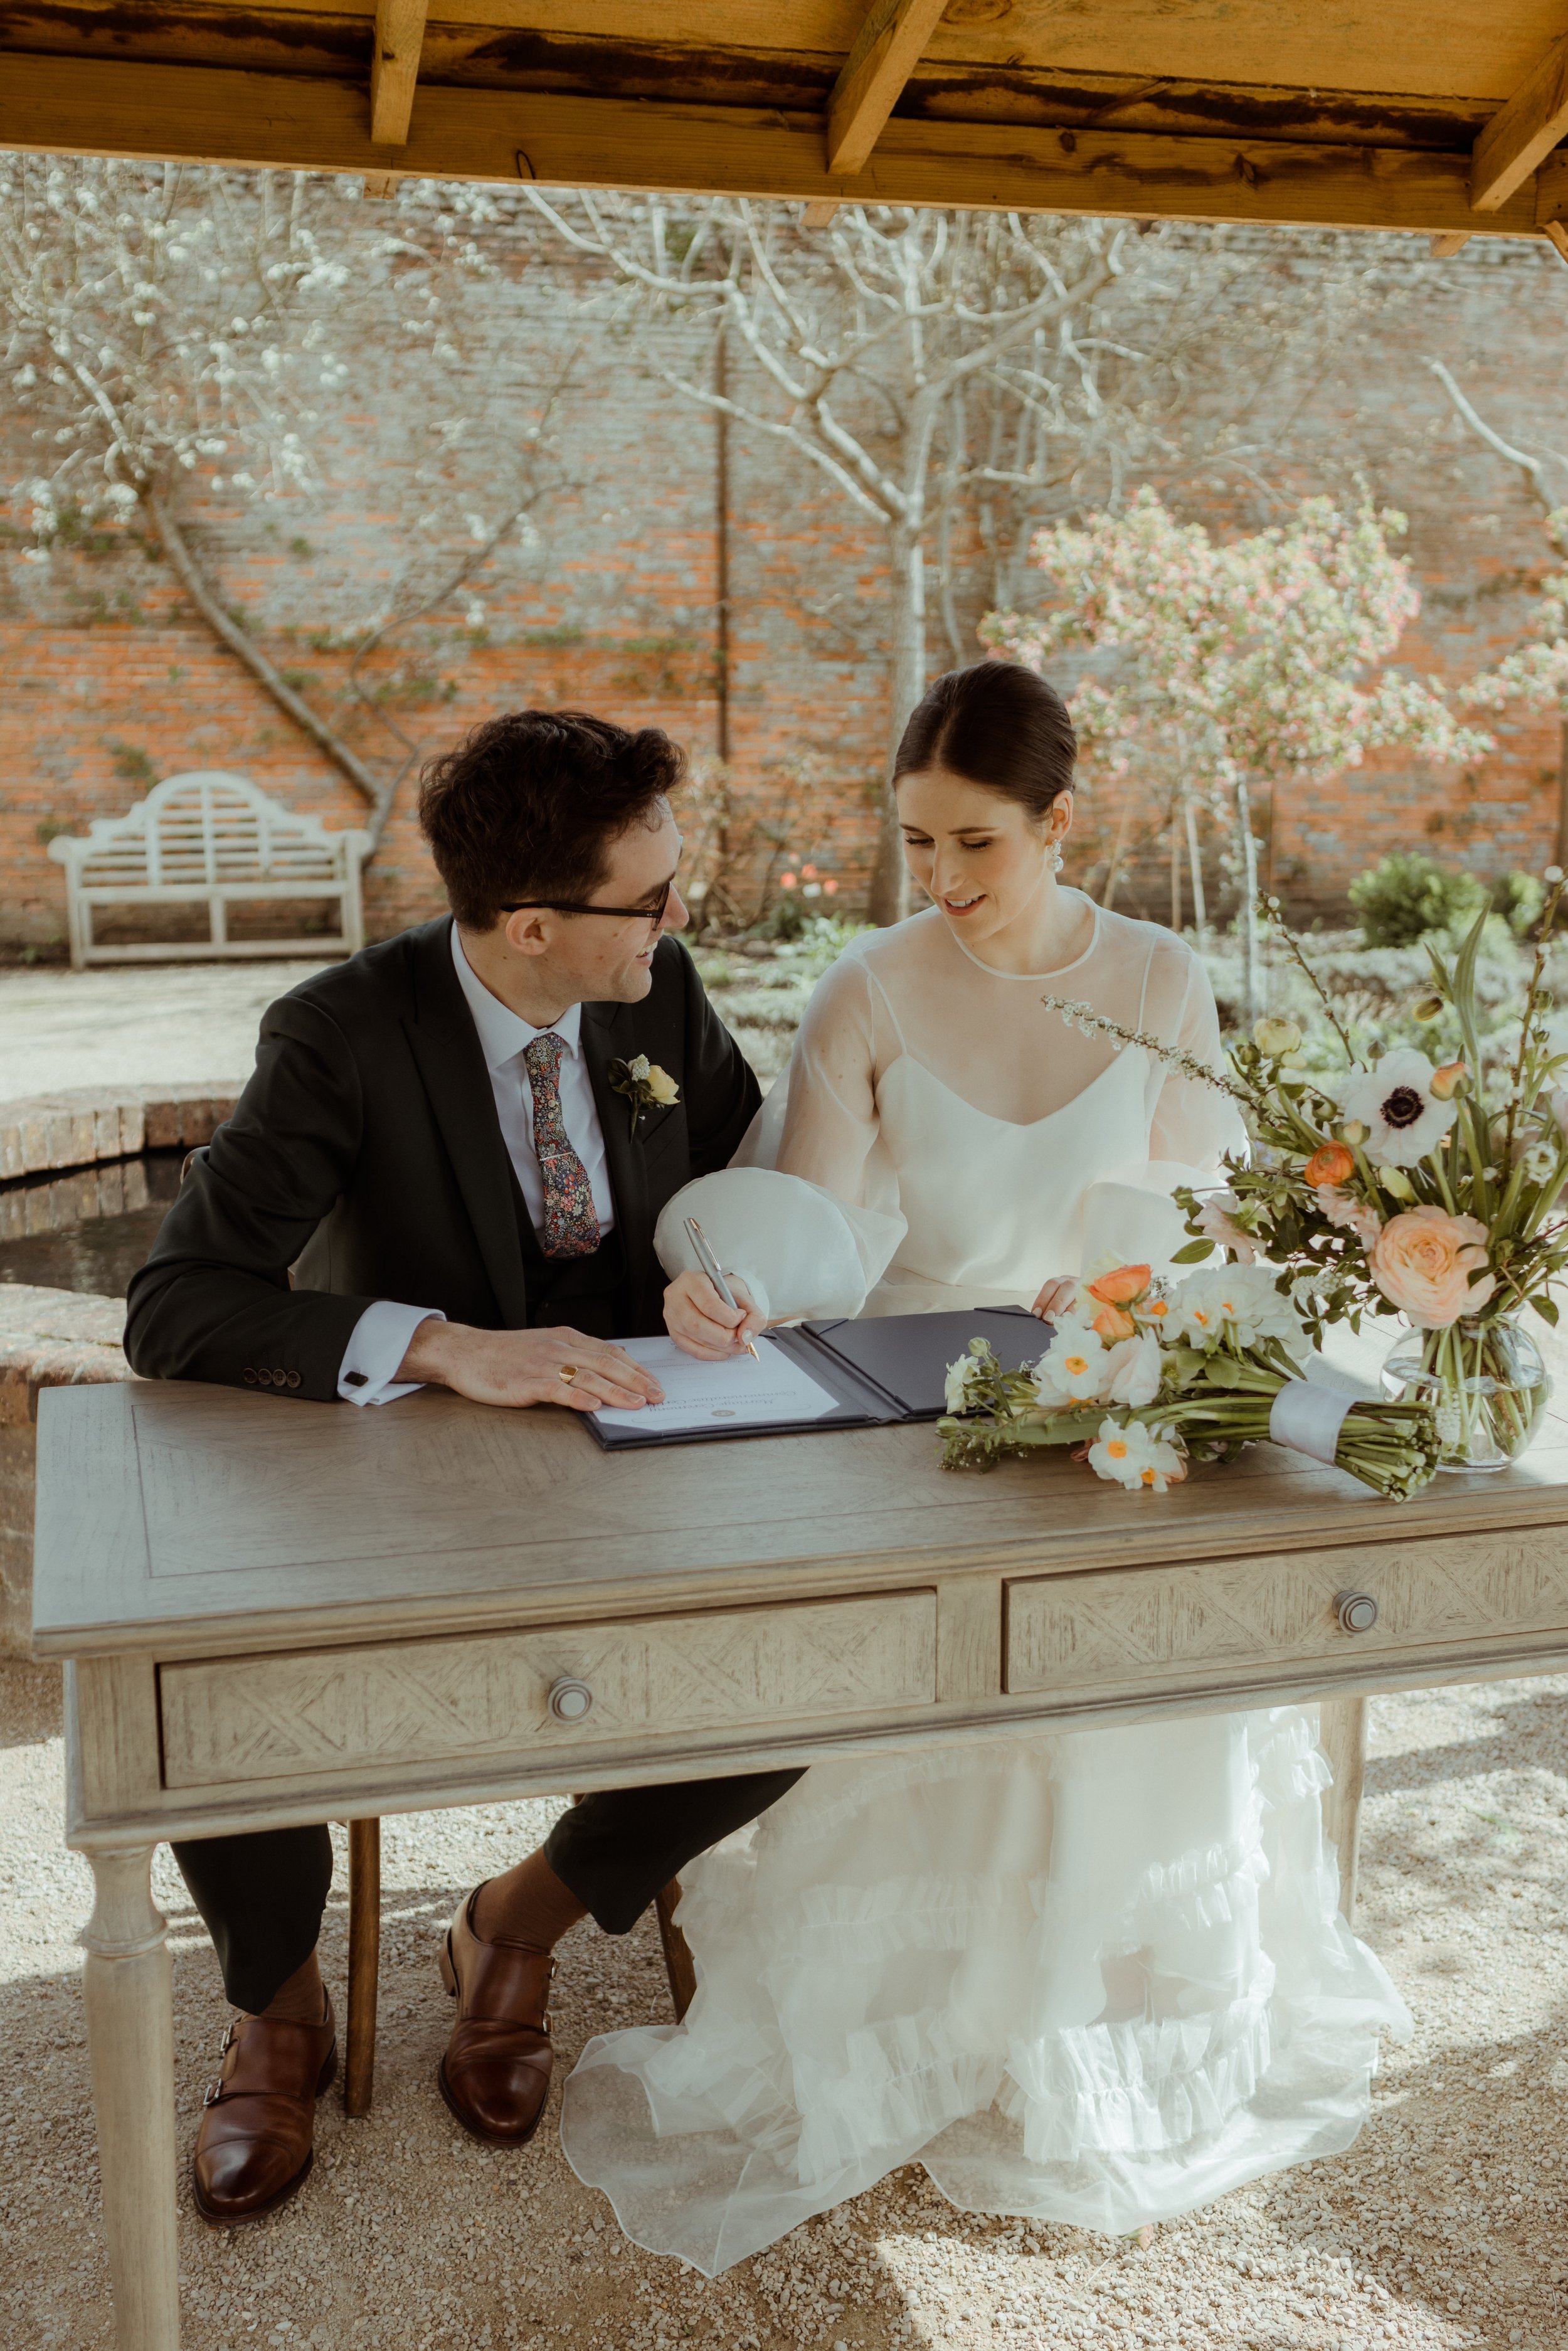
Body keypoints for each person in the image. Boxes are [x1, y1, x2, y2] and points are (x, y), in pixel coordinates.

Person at [558, 659, 1411, 2274]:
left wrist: (1119, 1297)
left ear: (1058, 824)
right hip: (917, 1412)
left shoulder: (1157, 978)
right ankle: (924, 2026)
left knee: (1124, 1686)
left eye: (974, 845)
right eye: (915, 844)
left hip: (1111, 1406)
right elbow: (809, 1240)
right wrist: (721, 1282)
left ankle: (1093, 2019)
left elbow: (1204, 1221)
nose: (938, 882)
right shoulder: (867, 989)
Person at [124, 708, 781, 2227]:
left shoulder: (654, 991)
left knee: (821, 1652)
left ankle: (516, 1922)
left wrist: (714, 1262)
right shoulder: (339, 1031)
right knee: (209, 1666)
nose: (681, 924)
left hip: (639, 1457)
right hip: (398, 1484)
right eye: (656, 897)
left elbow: (750, 1171)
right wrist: (441, 1344)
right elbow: (177, 1300)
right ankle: (277, 2004)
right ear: (533, 922)